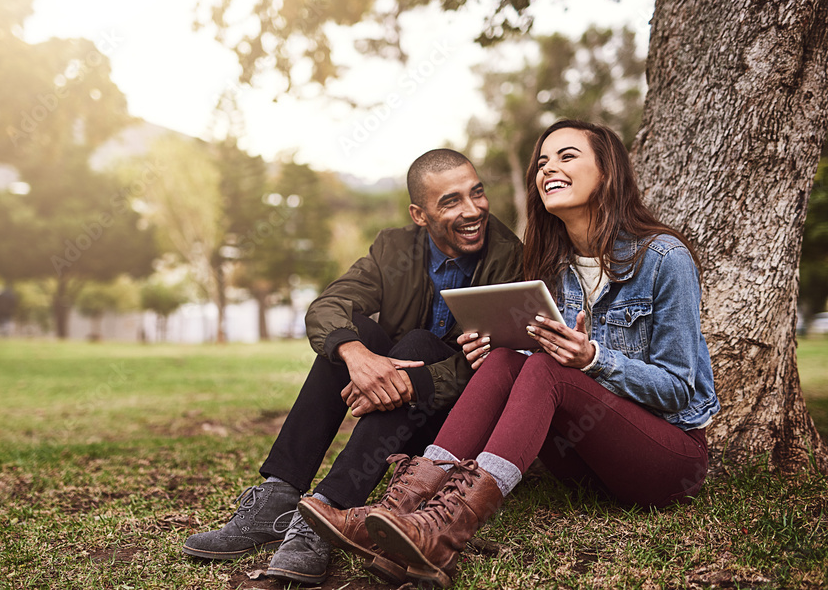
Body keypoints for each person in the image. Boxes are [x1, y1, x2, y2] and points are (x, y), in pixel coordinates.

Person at [299, 119, 721, 588]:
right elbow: (527, 366)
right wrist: (495, 345)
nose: (548, 168)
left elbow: (680, 391)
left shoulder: (664, 258)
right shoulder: (552, 268)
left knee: (546, 367)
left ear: (608, 171)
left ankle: (444, 530)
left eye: (566, 156)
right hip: (585, 463)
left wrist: (594, 359)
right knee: (505, 359)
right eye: (541, 161)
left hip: (664, 461)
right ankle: (400, 512)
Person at [182, 149, 523, 584]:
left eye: (476, 193)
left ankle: (327, 512)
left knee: (418, 343)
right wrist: (358, 357)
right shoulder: (393, 248)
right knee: (353, 332)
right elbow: (327, 307)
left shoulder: (511, 259)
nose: (473, 210)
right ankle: (279, 494)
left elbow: (496, 370)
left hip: (451, 428)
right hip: (395, 417)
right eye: (451, 201)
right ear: (420, 214)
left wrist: (409, 379)